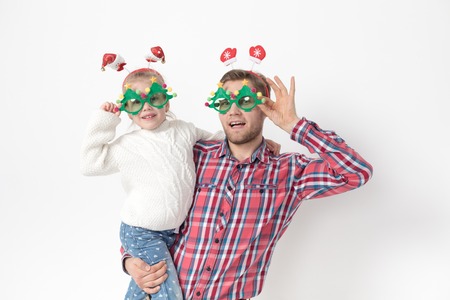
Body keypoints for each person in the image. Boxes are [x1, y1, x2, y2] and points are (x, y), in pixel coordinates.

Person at [123, 69, 374, 300]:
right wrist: (128, 261)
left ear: (264, 108)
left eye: (244, 101)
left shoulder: (290, 172)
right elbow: (146, 212)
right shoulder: (192, 154)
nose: (233, 111)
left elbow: (356, 172)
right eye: (224, 102)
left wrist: (293, 125)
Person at [80, 68, 226, 300]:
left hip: (172, 231)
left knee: (146, 286)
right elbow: (90, 164)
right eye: (135, 102)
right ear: (127, 111)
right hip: (141, 231)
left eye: (154, 98)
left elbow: (218, 141)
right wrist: (105, 121)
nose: (146, 107)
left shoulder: (184, 130)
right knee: (165, 291)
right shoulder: (127, 145)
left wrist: (259, 142)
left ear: (167, 103)